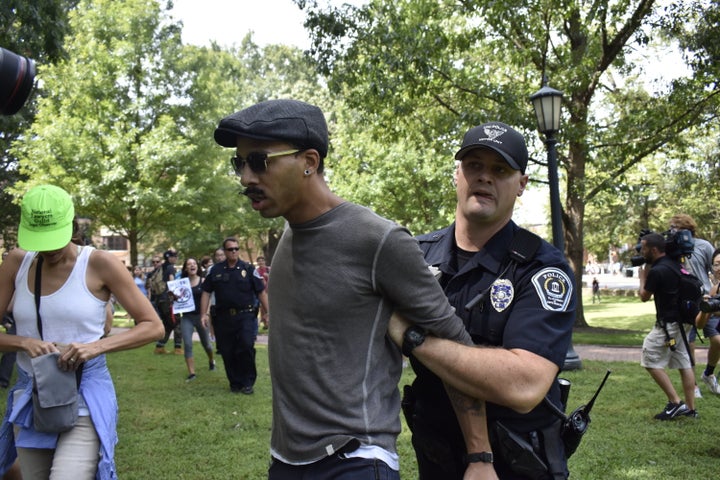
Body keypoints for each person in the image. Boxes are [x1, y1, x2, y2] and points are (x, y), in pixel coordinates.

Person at [214, 99, 474, 479]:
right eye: (240, 164)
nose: (245, 178)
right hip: (286, 462)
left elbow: (458, 348)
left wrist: (480, 455)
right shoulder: (289, 232)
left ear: (309, 162)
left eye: (259, 161)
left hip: (355, 460)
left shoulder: (378, 240)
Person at [387, 122, 576, 479]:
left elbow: (524, 384)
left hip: (520, 462)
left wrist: (413, 336)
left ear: (521, 184)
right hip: (436, 455)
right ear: (457, 174)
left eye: (500, 170)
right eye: (474, 165)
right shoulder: (414, 257)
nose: (484, 177)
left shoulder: (541, 269)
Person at [0, 184, 163, 479]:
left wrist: (94, 347)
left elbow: (153, 326)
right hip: (33, 393)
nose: (48, 249)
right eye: (41, 240)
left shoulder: (99, 263)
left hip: (84, 391)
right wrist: (23, 342)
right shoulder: (16, 262)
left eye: (54, 239)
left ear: (71, 225)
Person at [638, 232, 697, 419]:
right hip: (683, 323)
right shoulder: (675, 265)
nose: (642, 251)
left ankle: (675, 402)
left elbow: (644, 296)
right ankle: (690, 409)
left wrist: (642, 277)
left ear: (654, 250)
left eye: (644, 247)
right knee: (683, 363)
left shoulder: (657, 271)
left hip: (668, 325)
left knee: (648, 357)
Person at [199, 238, 268, 394]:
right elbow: (206, 292)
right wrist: (203, 314)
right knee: (227, 350)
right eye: (230, 249)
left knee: (245, 346)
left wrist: (268, 312)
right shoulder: (215, 271)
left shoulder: (248, 269)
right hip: (223, 318)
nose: (234, 251)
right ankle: (235, 382)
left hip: (245, 316)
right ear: (225, 251)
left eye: (236, 248)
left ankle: (248, 382)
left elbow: (261, 292)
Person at [668, 214, 714, 397]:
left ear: (688, 229)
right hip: (685, 303)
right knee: (689, 345)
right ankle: (693, 386)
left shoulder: (704, 246)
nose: (673, 231)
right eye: (672, 227)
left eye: (677, 228)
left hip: (706, 299)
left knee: (717, 340)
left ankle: (709, 374)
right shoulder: (671, 249)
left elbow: (715, 268)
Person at [179, 257, 215, 381]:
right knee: (187, 344)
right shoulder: (181, 284)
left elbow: (209, 298)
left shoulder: (204, 281)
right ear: (185, 268)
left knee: (207, 345)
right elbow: (177, 300)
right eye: (189, 264)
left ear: (197, 267)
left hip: (201, 317)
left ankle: (211, 360)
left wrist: (207, 314)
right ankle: (192, 373)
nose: (192, 266)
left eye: (194, 264)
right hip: (187, 317)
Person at [148, 250, 182, 354]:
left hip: (160, 300)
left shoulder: (160, 268)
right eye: (174, 256)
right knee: (177, 323)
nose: (176, 258)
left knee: (168, 324)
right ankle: (178, 348)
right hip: (168, 300)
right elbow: (172, 282)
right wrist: (174, 296)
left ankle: (159, 347)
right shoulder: (170, 268)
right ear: (169, 258)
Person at [696, 247, 720, 395]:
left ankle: (709, 373)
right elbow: (699, 325)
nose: (718, 268)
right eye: (716, 264)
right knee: (717, 341)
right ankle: (709, 373)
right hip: (715, 321)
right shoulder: (714, 290)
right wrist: (705, 309)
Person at [255, 256, 270, 329]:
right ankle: (265, 324)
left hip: (269, 292)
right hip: (260, 292)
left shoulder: (268, 269)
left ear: (264, 261)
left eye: (262, 260)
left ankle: (267, 323)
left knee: (268, 307)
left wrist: (268, 276)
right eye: (259, 261)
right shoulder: (256, 271)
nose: (261, 262)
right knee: (262, 309)